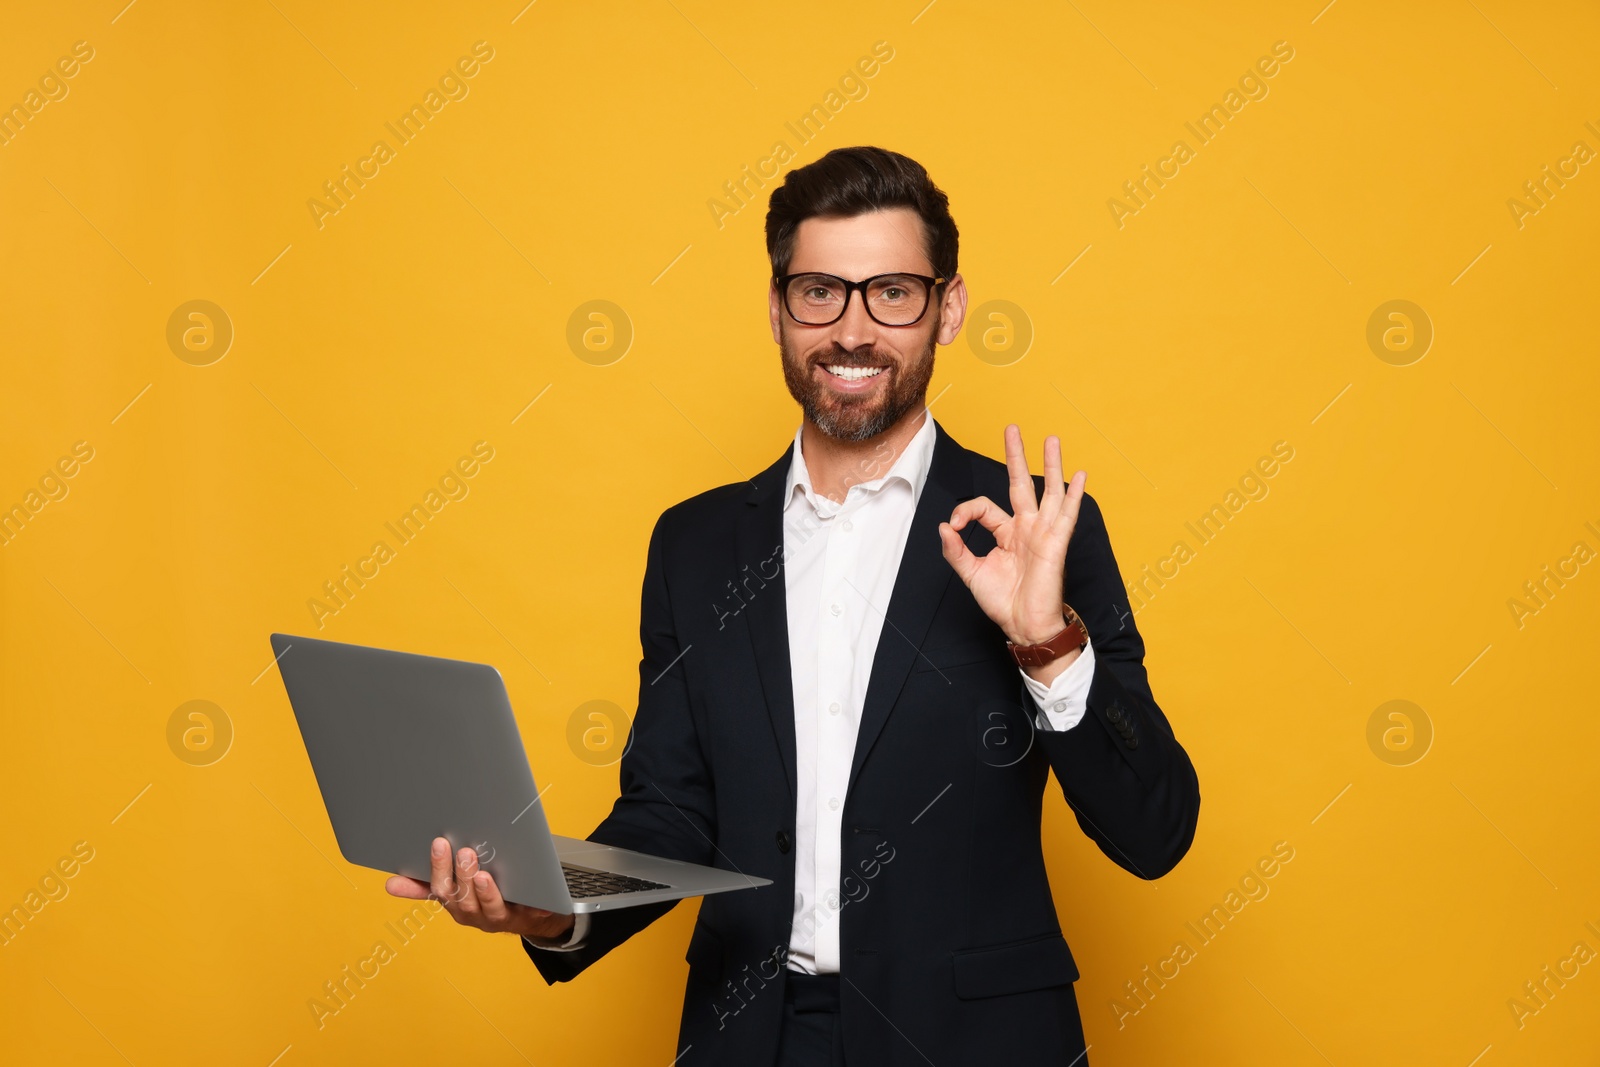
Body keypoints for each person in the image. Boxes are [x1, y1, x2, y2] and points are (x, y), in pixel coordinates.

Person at [387, 145, 1200, 1065]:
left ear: (950, 308)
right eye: (820, 291)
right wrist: (549, 904)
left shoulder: (1036, 528)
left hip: (975, 1038)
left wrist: (1048, 646)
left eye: (892, 291)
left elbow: (1156, 830)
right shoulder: (694, 547)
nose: (853, 330)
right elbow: (670, 814)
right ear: (777, 308)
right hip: (754, 1038)